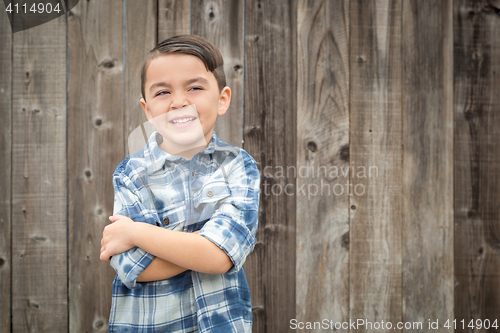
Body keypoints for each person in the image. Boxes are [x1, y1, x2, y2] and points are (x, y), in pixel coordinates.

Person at [99, 35, 260, 333]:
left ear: (222, 99)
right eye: (163, 92)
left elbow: (220, 257)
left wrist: (136, 232)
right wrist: (203, 246)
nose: (179, 101)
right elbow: (137, 268)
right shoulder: (131, 174)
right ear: (148, 110)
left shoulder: (237, 166)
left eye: (195, 87)